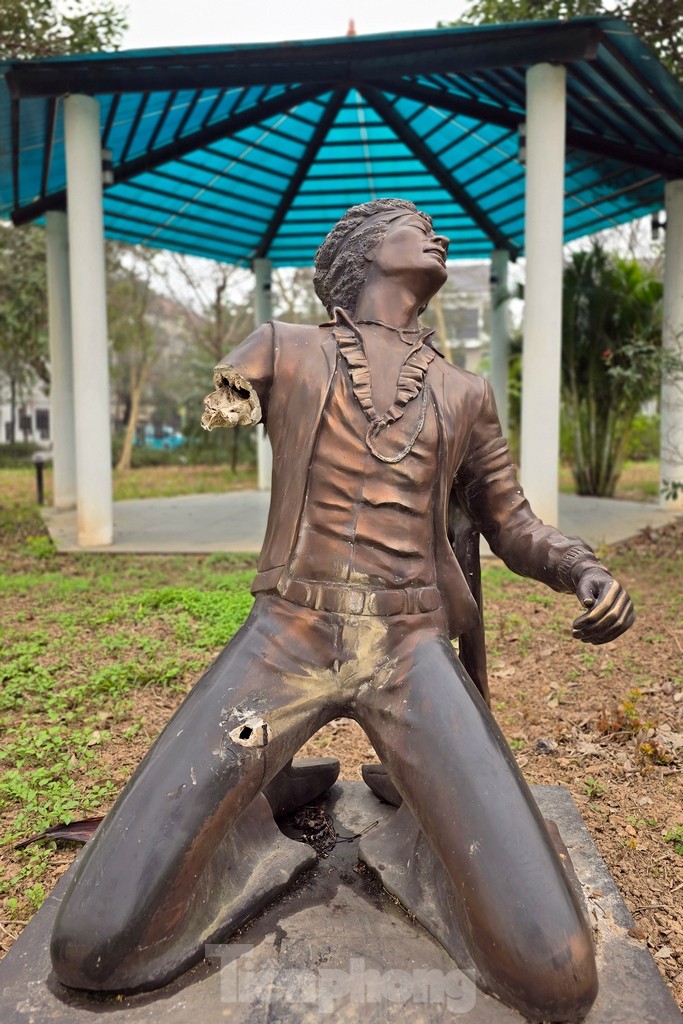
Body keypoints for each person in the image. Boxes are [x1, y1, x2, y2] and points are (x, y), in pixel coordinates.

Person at [51, 199, 633, 1020]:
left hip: (409, 648)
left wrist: (582, 568)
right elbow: (225, 402)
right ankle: (261, 815)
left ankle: (410, 826)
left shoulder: (464, 393)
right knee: (95, 945)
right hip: (285, 637)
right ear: (364, 251)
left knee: (557, 973)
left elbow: (511, 523)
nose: (435, 235)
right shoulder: (280, 349)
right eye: (413, 224)